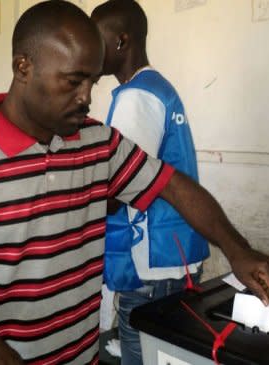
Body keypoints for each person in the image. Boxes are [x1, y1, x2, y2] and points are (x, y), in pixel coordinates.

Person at [0, 1, 269, 364]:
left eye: (92, 81)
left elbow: (172, 184)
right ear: (24, 67)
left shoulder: (98, 142)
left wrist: (237, 249)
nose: (86, 97)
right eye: (73, 81)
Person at [91, 2, 209, 363]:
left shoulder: (136, 97)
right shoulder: (158, 88)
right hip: (173, 253)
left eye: (96, 40)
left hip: (151, 262)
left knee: (140, 353)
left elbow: (118, 187)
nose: (88, 49)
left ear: (122, 41)